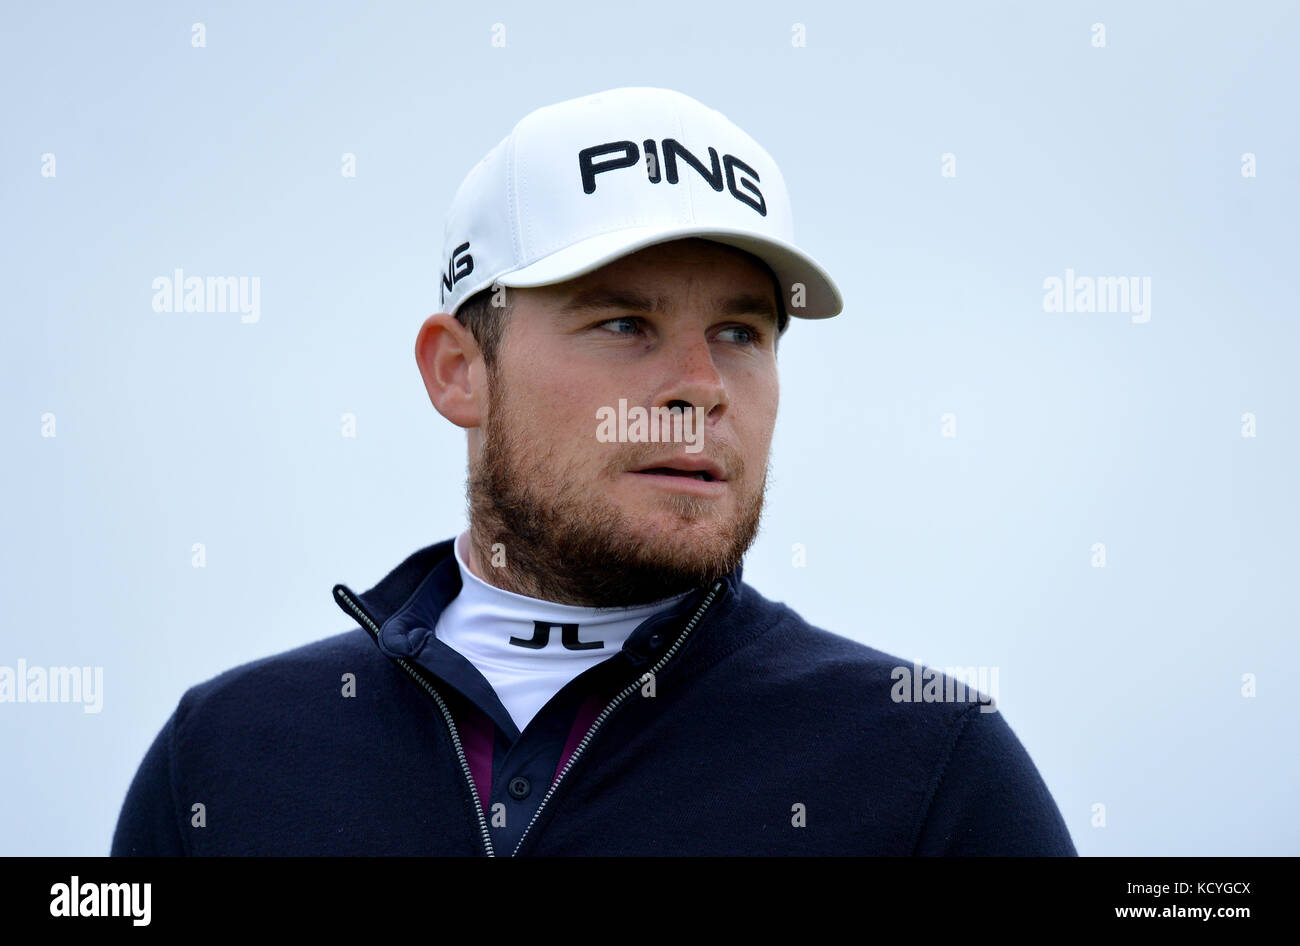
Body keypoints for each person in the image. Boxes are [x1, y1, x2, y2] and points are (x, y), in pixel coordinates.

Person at [111, 87, 1076, 856]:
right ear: (458, 372)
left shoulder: (926, 765)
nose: (700, 386)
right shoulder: (229, 753)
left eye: (741, 332)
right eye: (624, 324)